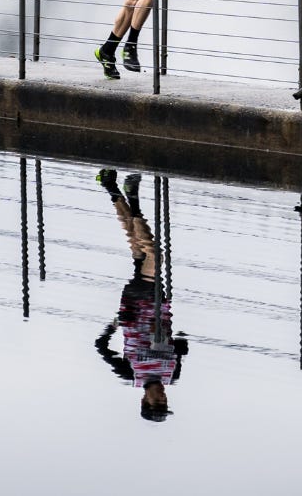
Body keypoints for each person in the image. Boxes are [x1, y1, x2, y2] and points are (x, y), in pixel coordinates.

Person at [94, 168, 187, 421]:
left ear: (144, 399)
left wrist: (116, 323)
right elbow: (182, 345)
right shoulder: (172, 374)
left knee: (155, 256)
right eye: (164, 401)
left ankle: (132, 196)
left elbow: (100, 347)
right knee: (137, 247)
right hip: (158, 302)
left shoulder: (131, 373)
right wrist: (174, 338)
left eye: (156, 401)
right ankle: (110, 187)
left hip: (135, 306)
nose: (162, 397)